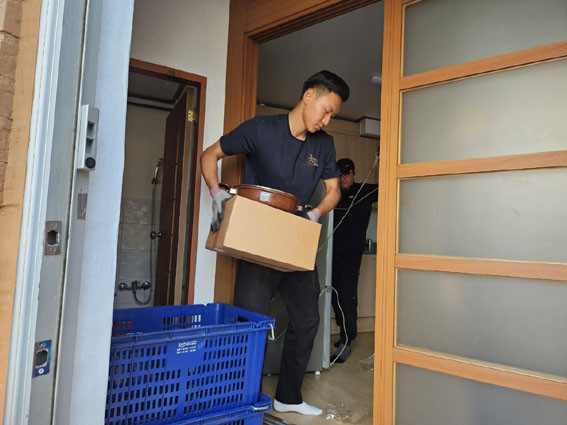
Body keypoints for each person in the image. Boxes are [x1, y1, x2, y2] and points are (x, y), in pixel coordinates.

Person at [200, 70, 349, 416]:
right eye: (326, 110)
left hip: (295, 238)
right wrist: (216, 191)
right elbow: (210, 155)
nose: (326, 120)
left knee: (307, 320)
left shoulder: (323, 144)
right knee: (251, 324)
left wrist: (315, 213)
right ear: (308, 96)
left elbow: (333, 191)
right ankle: (240, 401)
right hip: (257, 238)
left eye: (332, 115)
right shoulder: (260, 129)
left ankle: (288, 397)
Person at [331, 158, 378, 363]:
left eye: (347, 174)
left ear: (354, 173)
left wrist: (381, 159)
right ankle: (345, 331)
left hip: (352, 254)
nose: (343, 178)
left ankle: (347, 339)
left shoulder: (364, 191)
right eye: (340, 175)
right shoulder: (332, 192)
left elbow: (389, 184)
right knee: (333, 294)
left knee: (347, 295)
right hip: (332, 253)